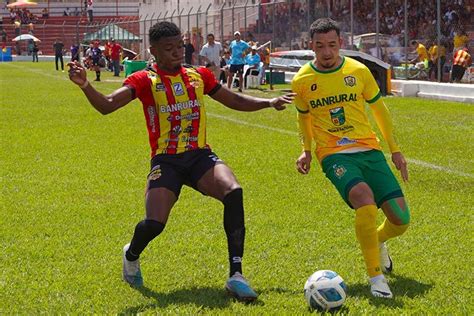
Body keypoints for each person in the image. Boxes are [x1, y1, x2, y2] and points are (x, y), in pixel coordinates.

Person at [67, 21, 294, 302]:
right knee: (154, 224)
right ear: (154, 51)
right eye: (169, 48)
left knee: (233, 192)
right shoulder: (144, 80)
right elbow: (107, 105)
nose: (177, 52)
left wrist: (268, 102)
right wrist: (86, 85)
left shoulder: (198, 75)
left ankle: (236, 275)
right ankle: (131, 254)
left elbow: (233, 100)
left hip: (199, 156)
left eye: (179, 45)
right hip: (167, 161)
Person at [292, 18, 410, 299]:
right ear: (311, 47)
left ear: (340, 44)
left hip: (369, 150)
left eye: (332, 45)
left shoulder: (358, 71)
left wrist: (394, 149)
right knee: (365, 201)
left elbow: (380, 111)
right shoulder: (302, 81)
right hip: (334, 154)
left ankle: (378, 239)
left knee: (401, 220)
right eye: (320, 46)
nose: (327, 52)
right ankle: (376, 279)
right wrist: (307, 150)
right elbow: (303, 118)